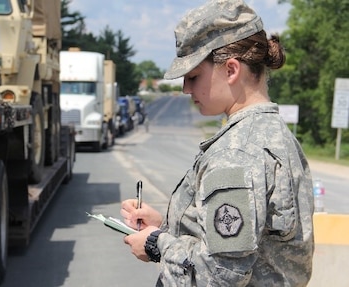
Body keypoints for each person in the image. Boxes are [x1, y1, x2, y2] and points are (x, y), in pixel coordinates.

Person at [120, 0, 315, 286]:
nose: (186, 89)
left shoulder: (236, 152)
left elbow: (221, 274)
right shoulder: (271, 133)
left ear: (231, 70)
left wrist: (156, 245)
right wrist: (165, 227)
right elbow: (244, 242)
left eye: (194, 76)